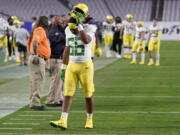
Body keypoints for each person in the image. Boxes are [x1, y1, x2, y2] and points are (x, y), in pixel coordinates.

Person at [49, 3, 94, 129]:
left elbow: (85, 40)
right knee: (67, 94)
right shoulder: (67, 30)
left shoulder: (89, 28)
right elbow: (67, 49)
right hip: (72, 66)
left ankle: (89, 119)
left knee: (88, 95)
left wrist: (79, 26)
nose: (71, 26)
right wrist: (64, 66)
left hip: (85, 66)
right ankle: (63, 120)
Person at [28, 16, 51, 110]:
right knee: (38, 81)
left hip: (36, 58)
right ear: (45, 22)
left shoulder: (36, 30)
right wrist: (36, 55)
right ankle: (35, 103)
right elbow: (34, 42)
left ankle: (33, 102)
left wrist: (32, 54)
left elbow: (29, 43)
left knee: (34, 81)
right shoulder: (40, 30)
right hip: (37, 59)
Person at [45, 16, 65, 107]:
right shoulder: (53, 32)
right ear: (56, 22)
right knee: (56, 80)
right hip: (54, 59)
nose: (62, 22)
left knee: (60, 81)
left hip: (59, 58)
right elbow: (60, 39)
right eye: (60, 21)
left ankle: (58, 98)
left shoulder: (60, 30)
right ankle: (50, 100)